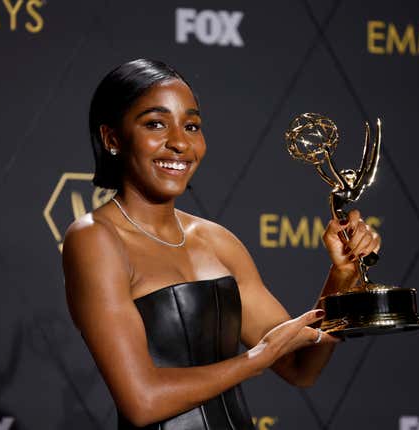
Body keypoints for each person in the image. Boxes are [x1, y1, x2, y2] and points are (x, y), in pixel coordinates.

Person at [62, 59, 381, 429]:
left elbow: (299, 368)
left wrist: (340, 277)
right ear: (112, 138)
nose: (180, 142)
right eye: (155, 124)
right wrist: (255, 359)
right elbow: (141, 401)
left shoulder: (218, 241)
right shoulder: (95, 239)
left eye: (192, 126)